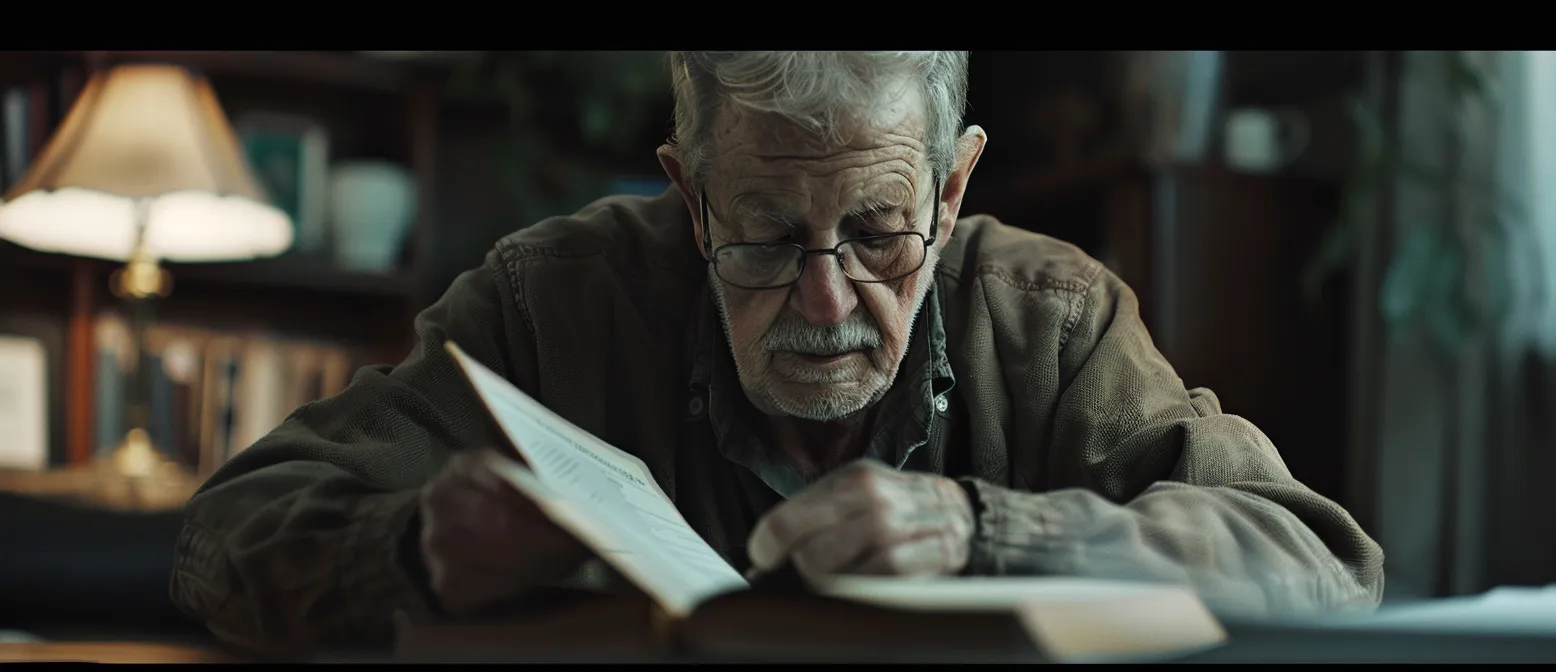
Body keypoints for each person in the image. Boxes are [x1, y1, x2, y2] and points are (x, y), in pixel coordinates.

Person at [170, 51, 1385, 655]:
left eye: (875, 231)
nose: (824, 298)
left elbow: (1320, 561)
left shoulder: (1048, 318)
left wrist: (987, 532)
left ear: (952, 190)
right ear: (690, 199)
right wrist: (414, 551)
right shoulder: (558, 299)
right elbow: (231, 534)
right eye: (759, 235)